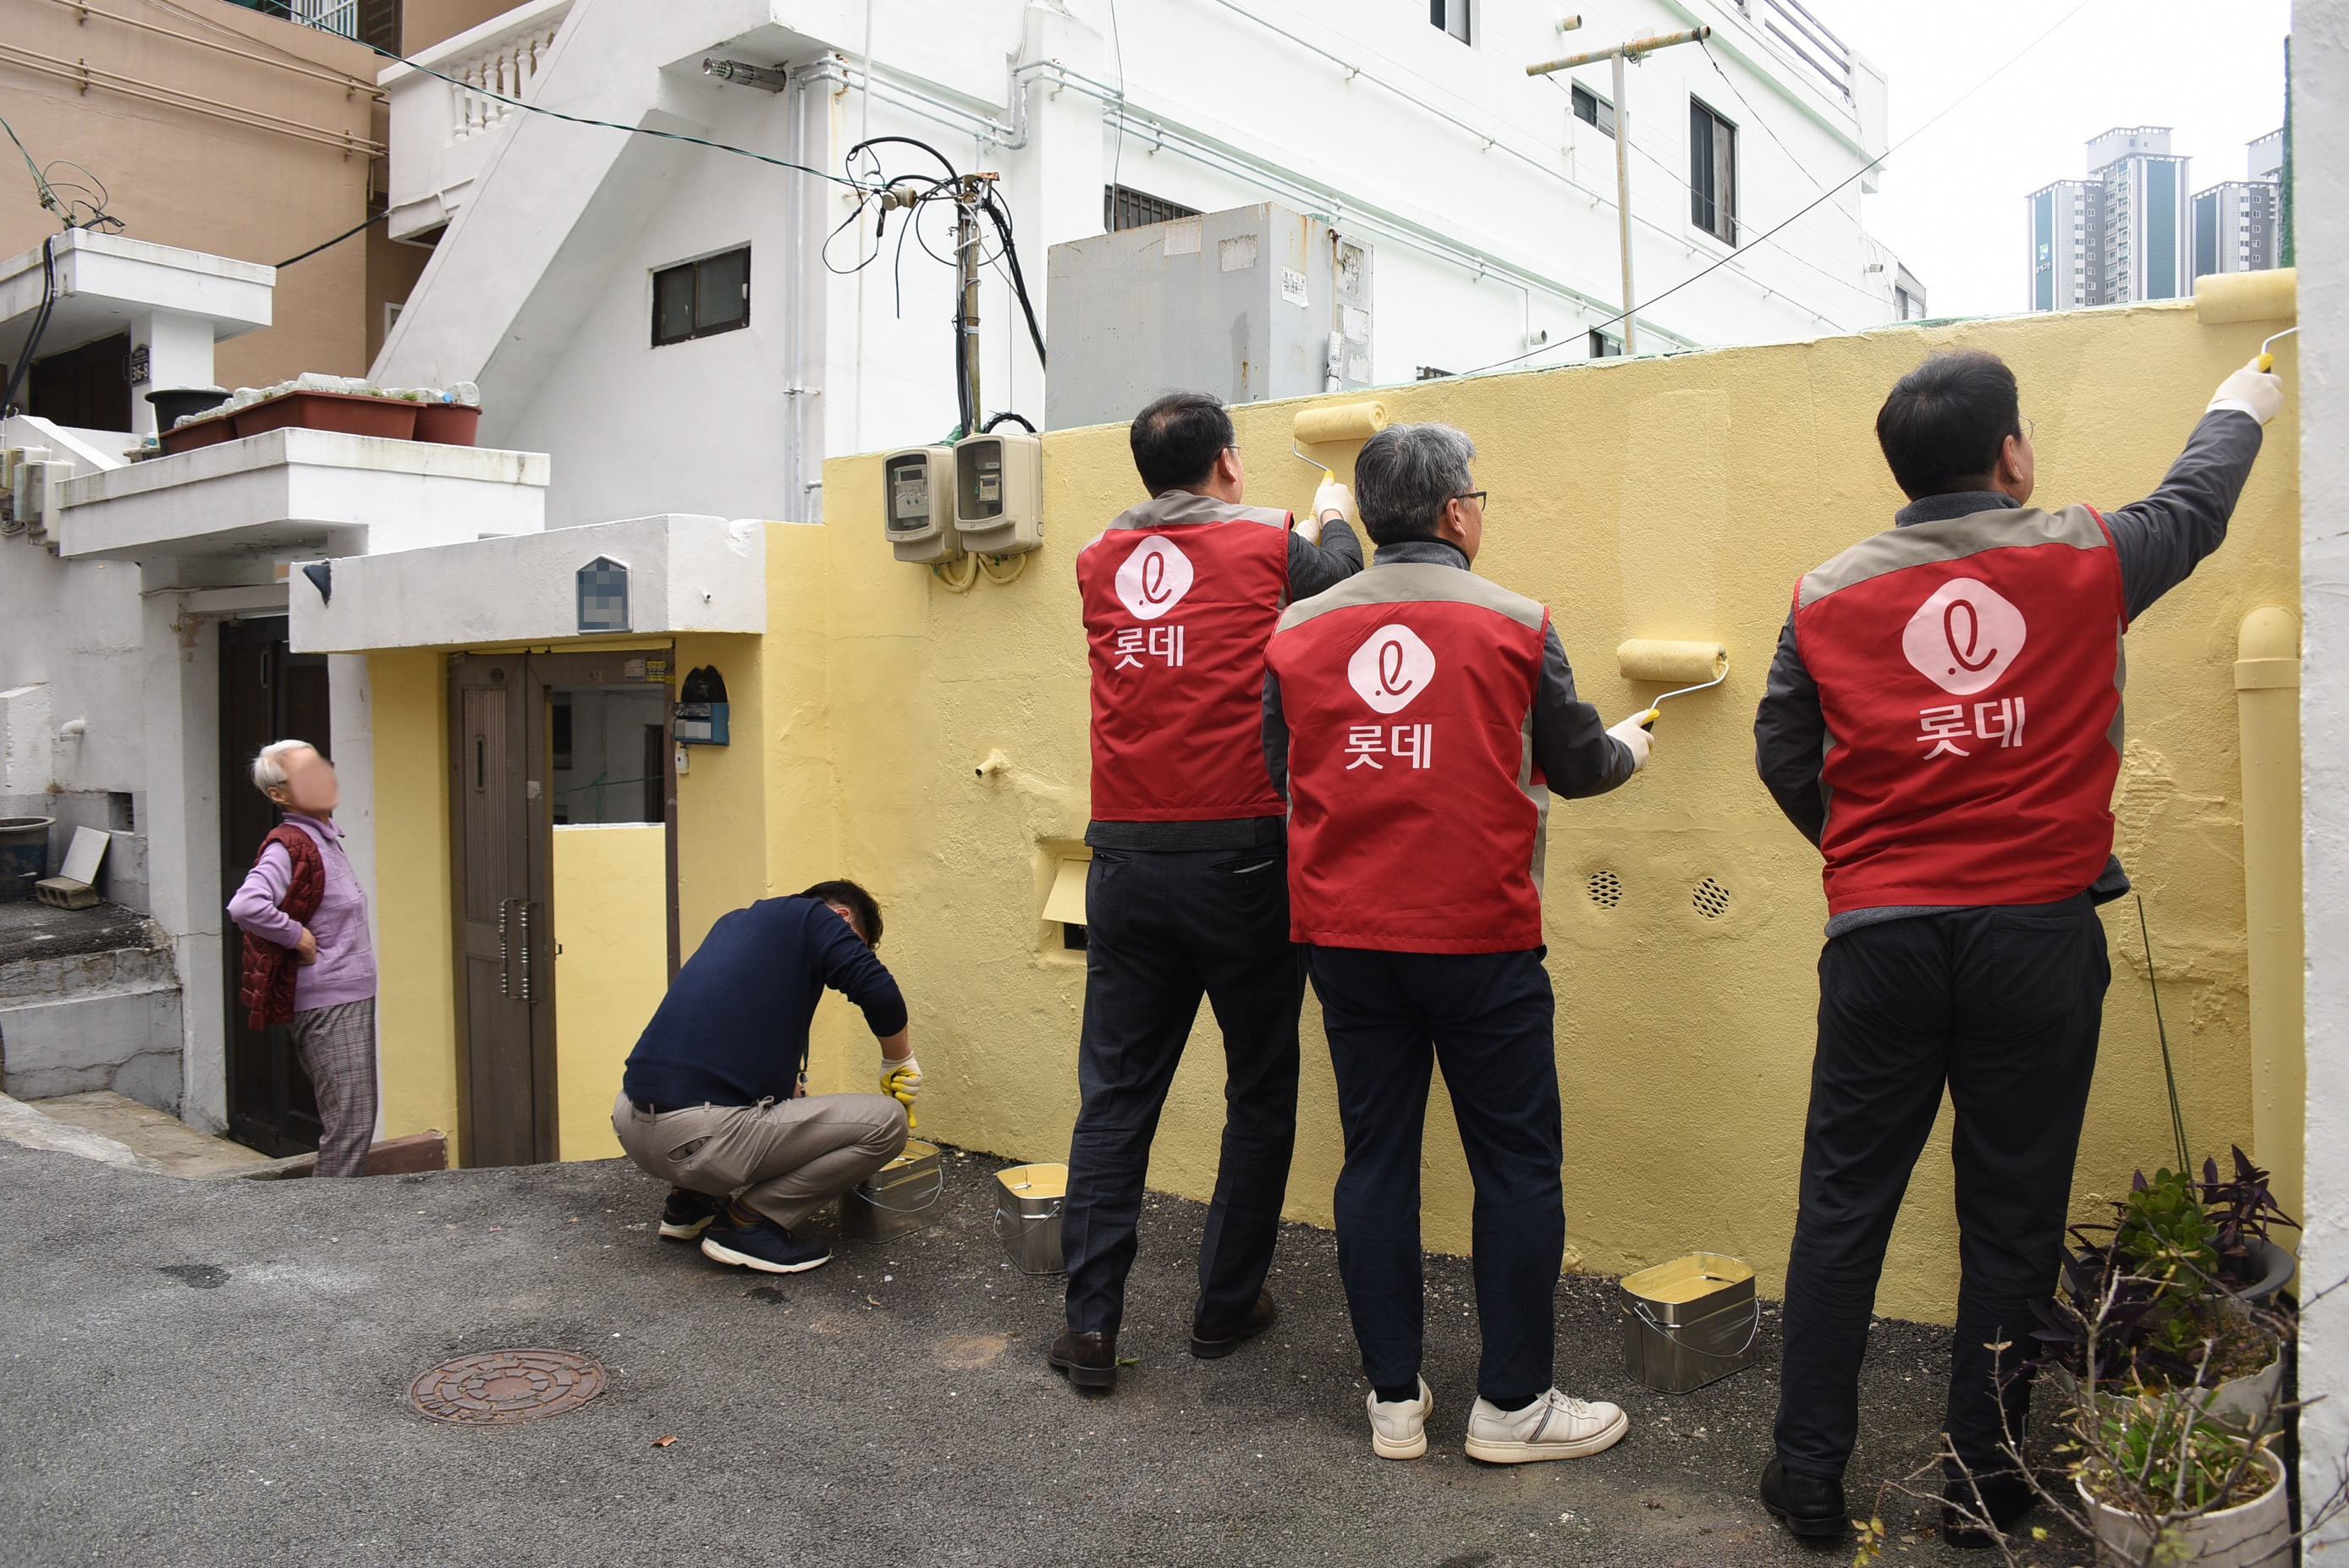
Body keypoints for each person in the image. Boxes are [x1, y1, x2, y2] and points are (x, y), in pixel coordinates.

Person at [1752, 349, 2282, 1545]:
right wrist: (2240, 399)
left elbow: (1783, 751)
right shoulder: (2083, 551)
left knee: (1843, 1207)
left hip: (1879, 939)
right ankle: (1982, 1481)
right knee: (2011, 1215)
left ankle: (1812, 1475)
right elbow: (2195, 508)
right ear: (2012, 453)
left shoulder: (1825, 591)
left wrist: (1870, 855)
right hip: (2037, 938)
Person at [1263, 421, 1654, 1463]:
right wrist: (1629, 749)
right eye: (1477, 493)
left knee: (1374, 1160)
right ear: (1452, 512)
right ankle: (1512, 1406)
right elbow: (1573, 763)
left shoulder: (1297, 628)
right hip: (1480, 937)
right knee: (1517, 1165)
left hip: (1345, 937)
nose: (1481, 507)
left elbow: (1280, 771)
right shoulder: (1516, 623)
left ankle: (1394, 1402)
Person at [1052, 390, 1366, 1392]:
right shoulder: (1272, 544)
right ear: (1229, 462)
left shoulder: (1097, 560)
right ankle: (1224, 1305)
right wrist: (1332, 514)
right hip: (1242, 855)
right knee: (1260, 1086)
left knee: (1113, 1100)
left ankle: (1091, 1326)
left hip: (1125, 857)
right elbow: (1346, 591)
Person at [613, 880, 916, 1276]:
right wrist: (899, 1062)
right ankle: (749, 1225)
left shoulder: (737, 924)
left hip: (632, 1124)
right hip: (694, 1137)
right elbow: (878, 991)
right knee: (886, 1123)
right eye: (857, 943)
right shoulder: (816, 919)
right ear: (842, 918)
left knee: (776, 1105)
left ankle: (690, 1204)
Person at [228, 740, 379, 1177]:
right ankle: (326, 1220)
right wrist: (298, 937)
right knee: (350, 1121)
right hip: (327, 997)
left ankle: (331, 1216)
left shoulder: (323, 837)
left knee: (355, 1115)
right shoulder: (290, 844)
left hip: (347, 993)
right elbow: (246, 906)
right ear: (279, 794)